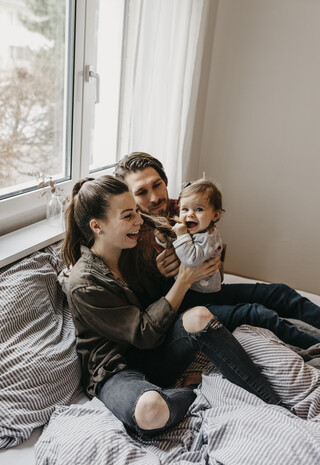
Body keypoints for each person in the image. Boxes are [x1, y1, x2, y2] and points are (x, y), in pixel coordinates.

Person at [61, 175, 283, 437]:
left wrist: (174, 271)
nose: (139, 220)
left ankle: (274, 405)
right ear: (97, 226)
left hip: (156, 354)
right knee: (150, 411)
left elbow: (161, 306)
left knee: (200, 316)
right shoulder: (85, 282)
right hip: (116, 371)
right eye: (128, 216)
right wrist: (184, 279)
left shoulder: (130, 249)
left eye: (136, 212)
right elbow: (143, 333)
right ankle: (192, 393)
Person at [114, 152, 320, 348]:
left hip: (209, 291)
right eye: (141, 192)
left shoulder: (185, 208)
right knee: (257, 314)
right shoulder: (131, 236)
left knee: (280, 293)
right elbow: (145, 313)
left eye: (157, 185)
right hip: (183, 313)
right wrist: (157, 276)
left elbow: (216, 272)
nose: (154, 198)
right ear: (129, 198)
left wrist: (213, 258)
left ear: (165, 181)